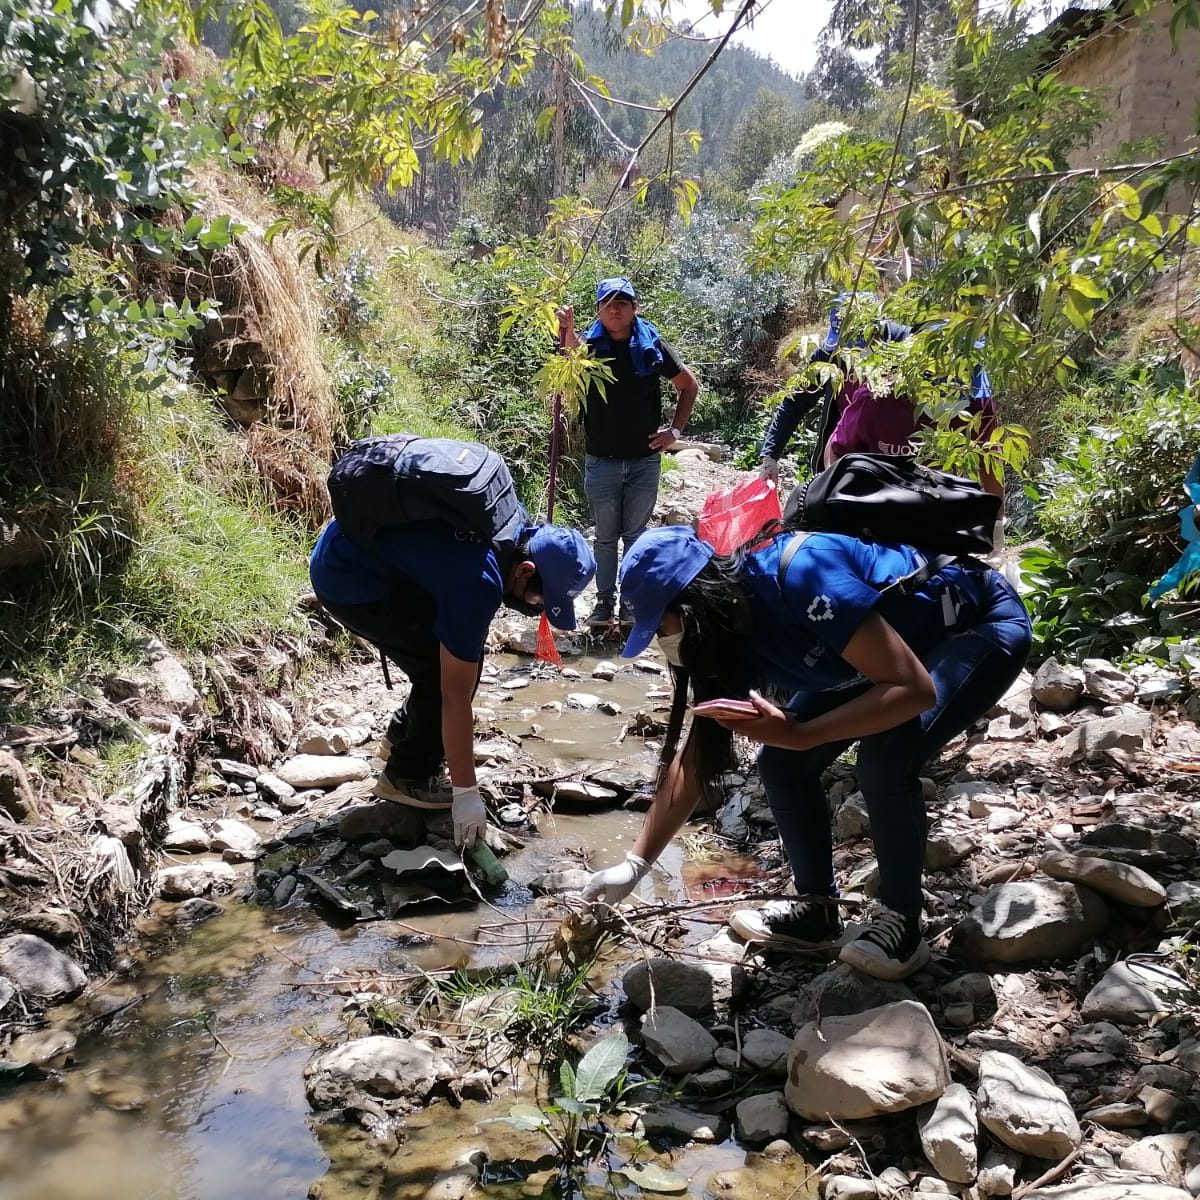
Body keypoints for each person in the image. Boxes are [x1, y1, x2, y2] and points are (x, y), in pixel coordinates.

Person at [580, 522, 1031, 981]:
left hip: (976, 627)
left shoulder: (802, 578)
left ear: (693, 604)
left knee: (886, 759)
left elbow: (912, 691)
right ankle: (817, 912)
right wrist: (635, 865)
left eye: (661, 627)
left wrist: (803, 733)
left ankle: (903, 923)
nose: (664, 643)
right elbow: (700, 753)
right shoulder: (726, 635)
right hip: (883, 655)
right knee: (781, 763)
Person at [309, 469, 595, 849]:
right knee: (443, 671)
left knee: (456, 656)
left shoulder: (514, 526)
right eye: (540, 599)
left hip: (355, 547)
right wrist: (466, 792)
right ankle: (407, 775)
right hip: (348, 578)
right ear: (526, 571)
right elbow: (454, 696)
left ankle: (400, 737)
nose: (536, 608)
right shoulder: (479, 581)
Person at [558, 276, 699, 629]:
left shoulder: (652, 346)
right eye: (608, 304)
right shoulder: (590, 346)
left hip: (644, 461)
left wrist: (674, 431)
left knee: (635, 536)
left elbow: (688, 386)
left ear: (635, 307)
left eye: (622, 302)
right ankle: (604, 603)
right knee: (605, 537)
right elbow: (571, 354)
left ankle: (631, 603)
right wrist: (567, 330)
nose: (615, 310)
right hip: (601, 460)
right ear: (598, 310)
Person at [758, 297, 1002, 499]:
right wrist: (771, 455)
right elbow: (796, 400)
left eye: (859, 346)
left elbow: (988, 453)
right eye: (845, 347)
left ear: (877, 331)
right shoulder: (829, 356)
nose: (851, 356)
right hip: (849, 453)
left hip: (909, 464)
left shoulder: (907, 356)